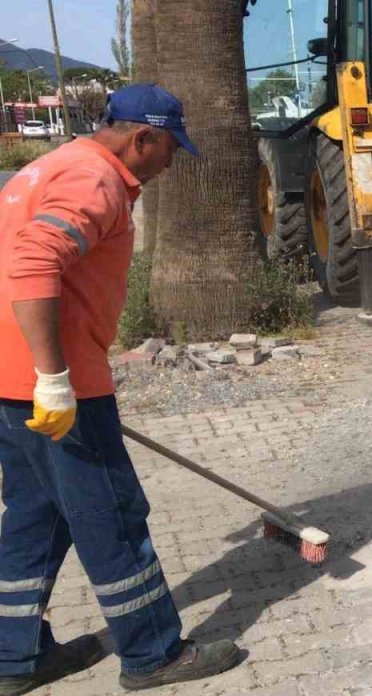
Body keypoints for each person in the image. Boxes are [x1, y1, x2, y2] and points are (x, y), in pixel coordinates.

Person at [0, 83, 244, 693]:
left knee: (37, 514)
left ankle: (13, 657)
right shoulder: (96, 180)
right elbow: (33, 261)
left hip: (9, 379)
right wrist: (54, 379)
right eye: (170, 148)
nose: (171, 163)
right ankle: (153, 653)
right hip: (56, 385)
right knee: (109, 515)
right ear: (143, 137)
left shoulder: (46, 168)